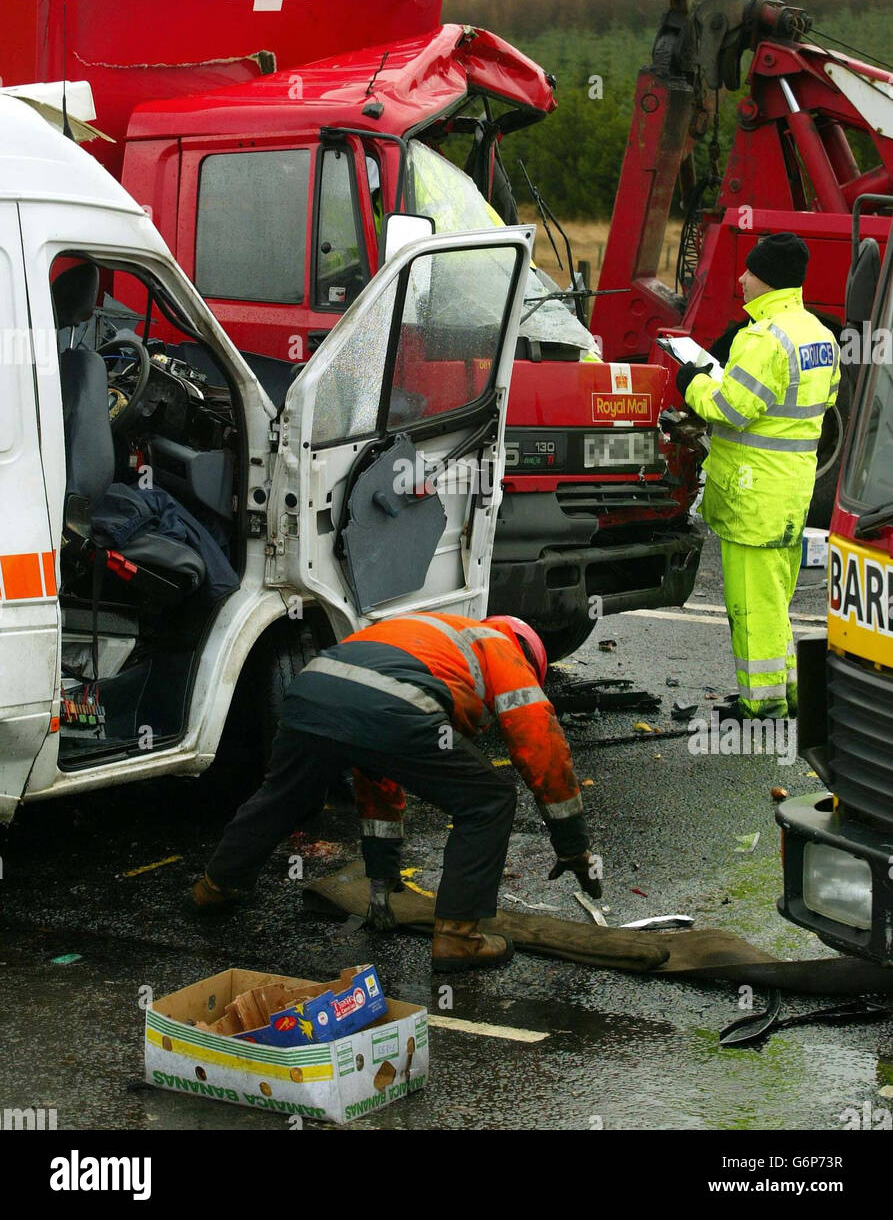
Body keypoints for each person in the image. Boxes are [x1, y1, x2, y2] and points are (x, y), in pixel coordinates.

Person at [191, 612, 601, 971]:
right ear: (530, 658)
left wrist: (382, 881)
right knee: (488, 800)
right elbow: (541, 747)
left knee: (284, 795)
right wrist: (571, 845)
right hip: (390, 702)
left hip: (310, 691)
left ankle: (216, 886)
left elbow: (378, 770)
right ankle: (459, 937)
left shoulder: (433, 637)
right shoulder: (502, 650)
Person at [676, 232, 840, 720]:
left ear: (764, 278)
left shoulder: (764, 338)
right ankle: (786, 692)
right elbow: (823, 402)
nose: (741, 278)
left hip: (752, 496)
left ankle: (761, 704)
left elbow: (731, 409)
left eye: (748, 271)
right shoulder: (819, 335)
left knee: (753, 605)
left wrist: (694, 382)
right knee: (774, 599)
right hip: (791, 491)